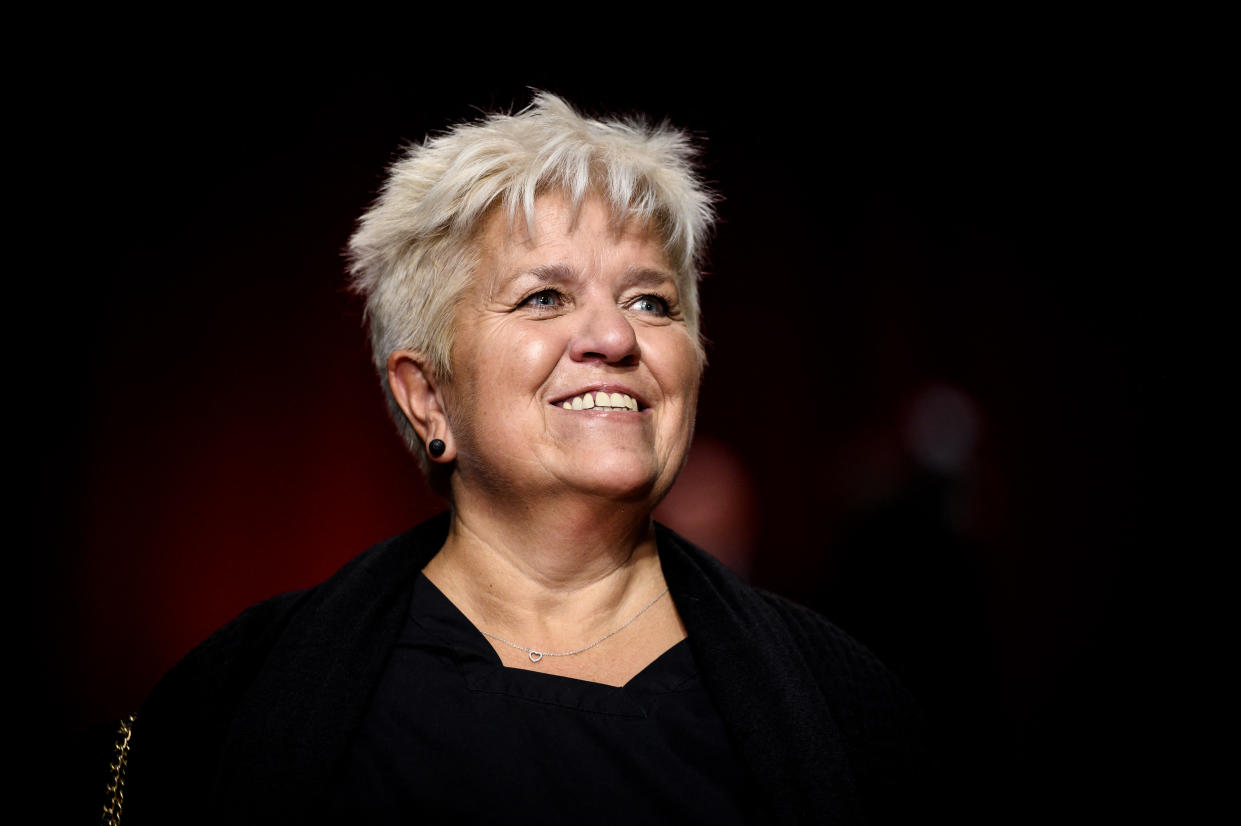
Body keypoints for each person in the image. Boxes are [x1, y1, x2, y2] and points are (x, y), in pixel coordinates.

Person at [111, 93, 925, 824]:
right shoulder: (237, 695)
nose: (615, 338)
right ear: (427, 396)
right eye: (544, 297)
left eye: (651, 302)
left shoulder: (845, 703)